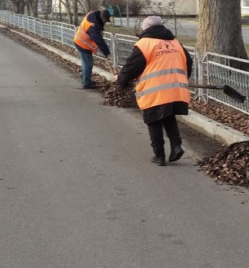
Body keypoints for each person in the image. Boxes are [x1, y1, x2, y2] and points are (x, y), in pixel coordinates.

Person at [115, 16, 193, 166]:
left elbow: (132, 67)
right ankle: (176, 146)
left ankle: (159, 155)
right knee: (168, 116)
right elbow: (188, 61)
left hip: (154, 90)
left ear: (146, 29)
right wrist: (183, 78)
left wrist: (121, 81)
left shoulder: (144, 44)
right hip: (176, 89)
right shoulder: (175, 43)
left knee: (154, 120)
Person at [74, 10, 112, 89]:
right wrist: (106, 52)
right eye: (105, 20)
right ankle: (87, 83)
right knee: (88, 64)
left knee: (86, 63)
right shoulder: (94, 26)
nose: (105, 22)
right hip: (82, 44)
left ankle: (85, 78)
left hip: (79, 41)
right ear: (102, 17)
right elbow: (99, 40)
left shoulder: (93, 15)